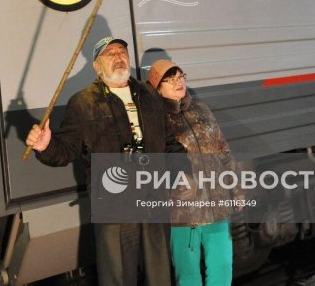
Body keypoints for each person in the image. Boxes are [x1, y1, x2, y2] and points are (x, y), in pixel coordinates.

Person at [26, 37, 185, 286]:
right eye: (109, 53)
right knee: (118, 276)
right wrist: (46, 145)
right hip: (114, 204)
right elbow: (66, 151)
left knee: (160, 274)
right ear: (97, 66)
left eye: (122, 51)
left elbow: (169, 144)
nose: (118, 56)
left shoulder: (149, 95)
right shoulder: (83, 103)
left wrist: (180, 174)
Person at [148, 59, 238, 286]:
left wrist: (237, 190)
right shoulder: (156, 120)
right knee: (188, 277)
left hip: (217, 206)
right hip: (183, 213)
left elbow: (223, 151)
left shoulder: (201, 109)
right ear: (158, 88)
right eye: (170, 79)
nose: (178, 82)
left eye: (180, 76)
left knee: (222, 270)